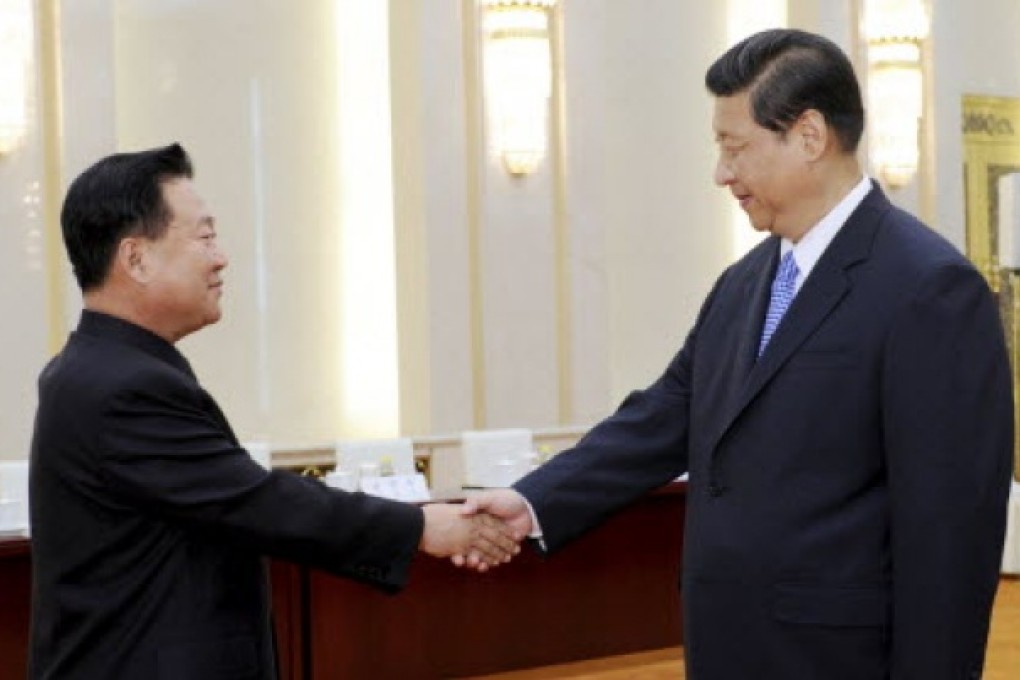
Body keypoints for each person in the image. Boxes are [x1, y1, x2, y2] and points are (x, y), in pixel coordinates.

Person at [460, 28, 1014, 679]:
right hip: (727, 646)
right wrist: (530, 502)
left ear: (809, 136)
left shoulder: (927, 288)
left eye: (735, 149)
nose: (721, 173)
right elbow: (665, 416)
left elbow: (949, 536)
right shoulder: (744, 282)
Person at [28, 143, 518, 679]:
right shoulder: (124, 386)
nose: (221, 258)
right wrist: (422, 527)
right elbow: (257, 502)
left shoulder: (97, 368)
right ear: (136, 259)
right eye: (205, 237)